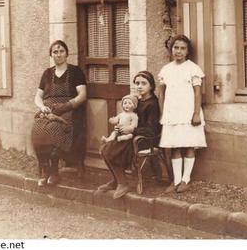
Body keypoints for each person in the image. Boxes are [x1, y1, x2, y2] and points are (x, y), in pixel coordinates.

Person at [31, 40, 87, 186]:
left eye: (61, 51)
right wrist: (42, 107)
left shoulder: (75, 71)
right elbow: (38, 96)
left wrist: (66, 106)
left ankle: (54, 172)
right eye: (55, 52)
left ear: (67, 53)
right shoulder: (47, 73)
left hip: (68, 110)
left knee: (53, 129)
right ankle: (45, 169)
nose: (58, 54)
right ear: (51, 55)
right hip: (49, 110)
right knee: (37, 130)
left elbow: (82, 95)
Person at [98, 71, 161, 199]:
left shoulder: (152, 104)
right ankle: (117, 180)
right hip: (131, 136)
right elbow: (129, 118)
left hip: (144, 139)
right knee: (104, 149)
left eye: (144, 83)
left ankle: (123, 183)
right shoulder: (137, 101)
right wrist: (120, 126)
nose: (139, 86)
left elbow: (151, 130)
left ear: (151, 86)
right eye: (137, 83)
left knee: (110, 151)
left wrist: (131, 131)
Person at [158, 34, 207, 193]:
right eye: (176, 48)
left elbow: (197, 93)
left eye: (182, 48)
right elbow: (162, 94)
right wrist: (162, 114)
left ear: (187, 51)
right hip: (172, 113)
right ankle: (176, 180)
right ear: (171, 49)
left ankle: (186, 179)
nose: (179, 51)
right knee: (174, 146)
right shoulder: (166, 70)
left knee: (187, 144)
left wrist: (196, 114)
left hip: (187, 112)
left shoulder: (192, 69)